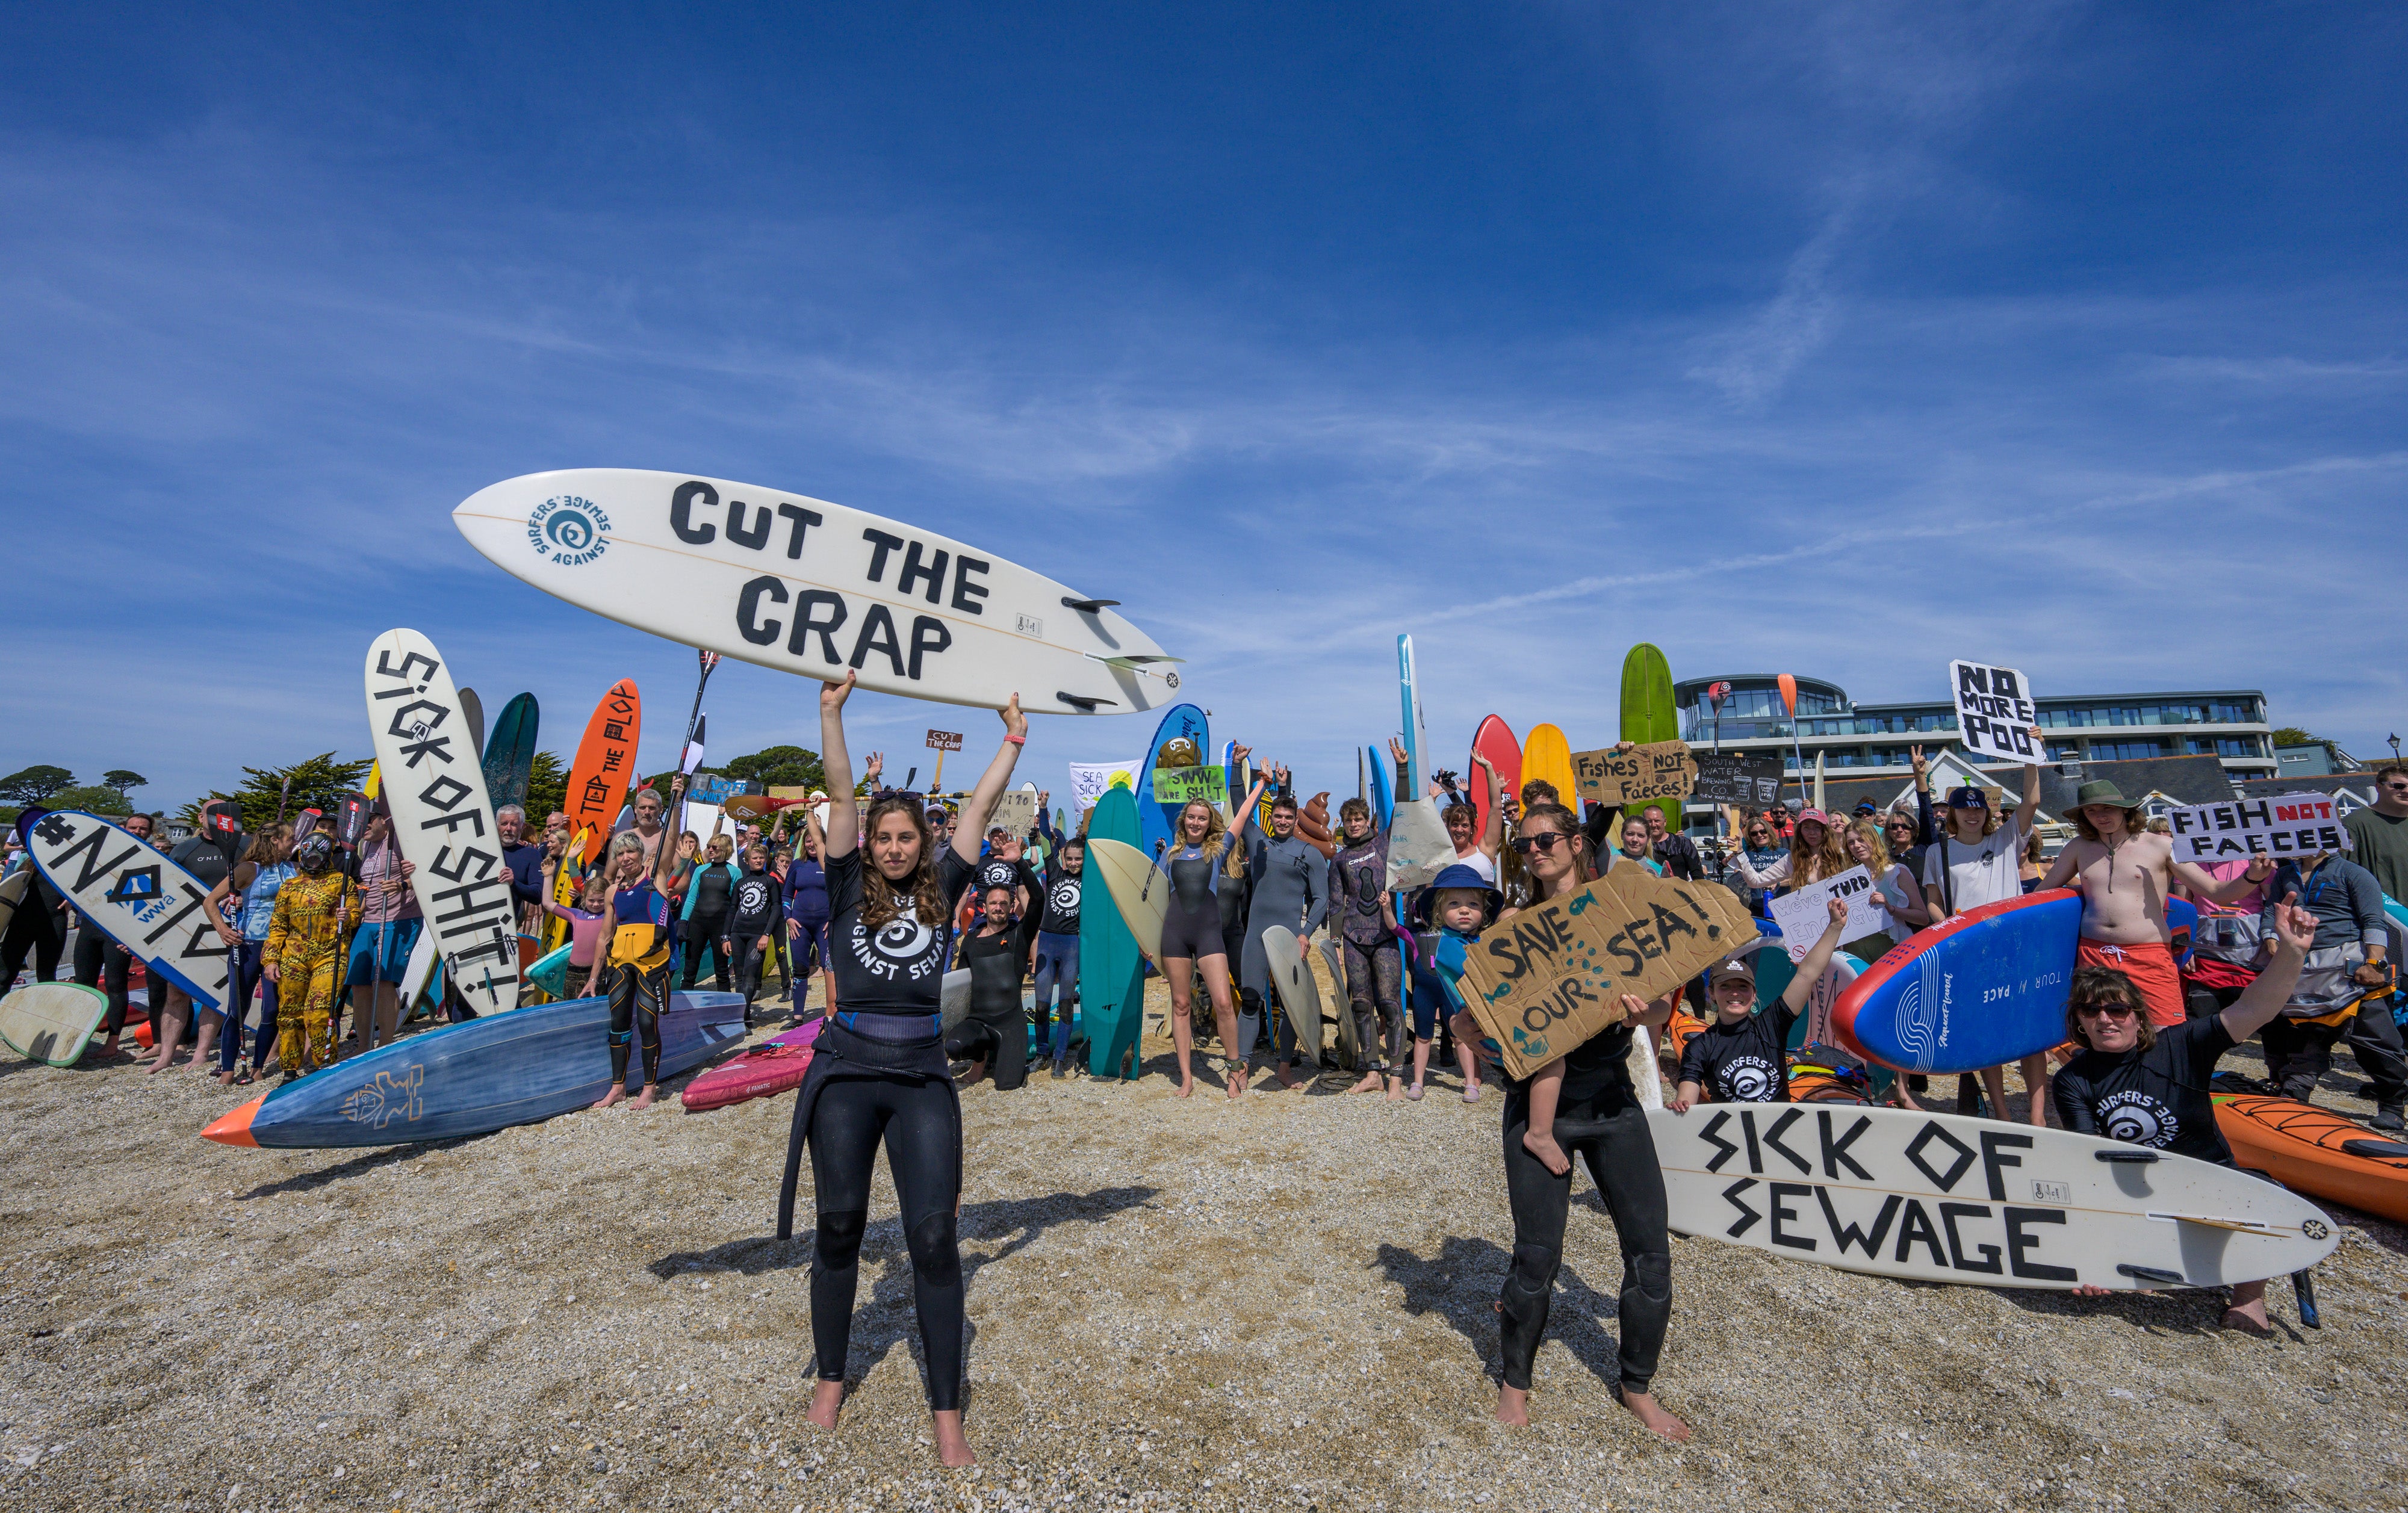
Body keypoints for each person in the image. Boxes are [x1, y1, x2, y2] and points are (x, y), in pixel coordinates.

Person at [774, 673, 1023, 1470]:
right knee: (841, 1226)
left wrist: (1013, 738)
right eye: (881, 836)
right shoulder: (847, 883)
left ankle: (948, 1412)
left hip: (920, 1070)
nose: (890, 845)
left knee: (933, 1240)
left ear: (921, 843)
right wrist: (829, 710)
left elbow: (980, 811)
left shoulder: (943, 886)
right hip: (845, 1068)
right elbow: (841, 790)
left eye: (903, 836)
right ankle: (833, 1378)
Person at [1436, 806, 1687, 1443]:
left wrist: (1639, 1014)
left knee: (1650, 1255)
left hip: (1610, 1101)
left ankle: (1636, 1386)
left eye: (1547, 840)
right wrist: (1472, 1034)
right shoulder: (1516, 923)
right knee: (1536, 1255)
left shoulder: (1613, 910)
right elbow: (1483, 1016)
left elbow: (1659, 1001)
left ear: (1577, 845)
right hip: (1535, 1106)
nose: (1535, 851)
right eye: (1525, 844)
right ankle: (1515, 1383)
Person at [2057, 894, 2319, 1334]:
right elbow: (2090, 1163)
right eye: (2091, 1010)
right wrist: (2092, 1256)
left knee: (2261, 1191)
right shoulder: (2073, 1079)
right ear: (2079, 1021)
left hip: (2208, 1175)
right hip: (2133, 1191)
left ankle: (2249, 1300)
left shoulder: (2182, 1044)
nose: (2105, 1019)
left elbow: (2254, 1009)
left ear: (2138, 1018)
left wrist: (2291, 953)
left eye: (2117, 1008)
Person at [2038, 779, 2272, 1029]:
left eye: (2108, 808)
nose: (2100, 816)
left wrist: (2252, 876)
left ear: (2125, 809)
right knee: (2103, 1033)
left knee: (2166, 1032)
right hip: (2095, 954)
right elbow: (2043, 893)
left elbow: (2216, 892)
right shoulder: (2078, 847)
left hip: (2148, 953)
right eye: (2091, 811)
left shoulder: (2160, 845)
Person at [1921, 744, 2050, 1122]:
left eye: (1979, 808)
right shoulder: (1937, 851)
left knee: (2030, 1033)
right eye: (1965, 808)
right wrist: (1947, 929)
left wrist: (2031, 756)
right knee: (1985, 1031)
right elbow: (1934, 902)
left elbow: (2032, 799)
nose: (1973, 814)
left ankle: (2039, 1115)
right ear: (1954, 814)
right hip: (1969, 950)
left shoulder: (2008, 839)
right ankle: (2003, 1113)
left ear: (1988, 813)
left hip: (2013, 945)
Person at [2250, 847, 2404, 1128]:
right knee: (2301, 1037)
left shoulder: (2353, 873)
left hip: (2352, 971)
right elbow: (2272, 911)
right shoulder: (2284, 873)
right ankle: (2293, 1096)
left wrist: (2374, 962)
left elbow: (2373, 920)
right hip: (2300, 968)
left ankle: (2393, 1104)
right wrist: (2270, 937)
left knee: (2375, 1041)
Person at [1672, 897, 1852, 1109]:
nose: (1735, 993)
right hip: (1731, 1134)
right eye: (1725, 987)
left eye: (1743, 986)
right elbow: (1687, 1096)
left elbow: (1807, 974)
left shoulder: (1772, 1026)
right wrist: (1681, 1107)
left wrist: (1835, 926)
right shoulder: (1700, 1047)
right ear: (1712, 993)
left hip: (1780, 1130)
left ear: (1754, 994)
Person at [583, 774, 691, 1112]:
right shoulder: (613, 891)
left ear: (641, 856)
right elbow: (604, 935)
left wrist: (676, 802)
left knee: (647, 1023)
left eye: (631, 852)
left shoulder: (655, 879)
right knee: (617, 1024)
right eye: (622, 854)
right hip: (620, 963)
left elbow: (671, 839)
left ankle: (648, 1086)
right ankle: (617, 1087)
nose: (627, 858)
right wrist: (591, 977)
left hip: (651, 963)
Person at [1227, 752, 1328, 1089]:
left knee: (1289, 1005)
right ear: (1272, 816)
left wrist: (1306, 932)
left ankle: (1284, 1068)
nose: (1283, 821)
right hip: (1256, 934)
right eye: (1279, 816)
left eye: (1288, 817)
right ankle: (1241, 1068)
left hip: (1289, 937)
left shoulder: (1309, 853)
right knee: (1252, 999)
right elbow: (1240, 804)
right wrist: (1238, 770)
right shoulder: (1258, 843)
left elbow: (1321, 899)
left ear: (1294, 818)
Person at [1152, 796, 1249, 1098]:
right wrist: (1147, 943)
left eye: (1202, 818)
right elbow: (1153, 903)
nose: (1196, 823)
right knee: (1181, 1006)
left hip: (1208, 934)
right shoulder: (1168, 855)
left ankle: (1235, 1069)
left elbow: (1242, 818)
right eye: (1191, 817)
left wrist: (1261, 783)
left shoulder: (1218, 851)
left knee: (1222, 1002)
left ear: (1210, 824)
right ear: (1184, 821)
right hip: (1174, 935)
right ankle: (1186, 1077)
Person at [261, 832, 359, 1080]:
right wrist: (270, 959)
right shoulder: (290, 887)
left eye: (319, 854)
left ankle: (324, 1064)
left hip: (330, 954)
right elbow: (278, 926)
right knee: (289, 1014)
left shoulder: (342, 882)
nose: (312, 858)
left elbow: (356, 914)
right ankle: (290, 1069)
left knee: (319, 1011)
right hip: (293, 957)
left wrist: (347, 917)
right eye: (308, 854)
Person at [204, 823, 293, 1083]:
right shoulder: (248, 869)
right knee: (238, 1007)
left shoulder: (293, 869)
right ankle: (229, 1067)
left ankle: (258, 1067)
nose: (294, 843)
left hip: (281, 946)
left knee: (272, 1010)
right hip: (249, 945)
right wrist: (222, 930)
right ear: (275, 840)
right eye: (290, 839)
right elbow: (210, 901)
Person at [77, 812, 154, 1059]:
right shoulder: (105, 856)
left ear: (149, 833)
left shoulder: (151, 859)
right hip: (90, 927)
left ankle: (113, 1042)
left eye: (143, 829)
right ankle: (80, 1036)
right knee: (84, 984)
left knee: (116, 984)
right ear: (123, 828)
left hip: (120, 931)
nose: (138, 831)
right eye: (133, 827)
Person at [343, 808, 418, 1056]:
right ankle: (364, 1046)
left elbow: (423, 872)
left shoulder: (398, 840)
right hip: (370, 920)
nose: (363, 827)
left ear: (382, 822)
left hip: (400, 918)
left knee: (384, 981)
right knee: (359, 982)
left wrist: (402, 884)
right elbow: (367, 888)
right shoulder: (366, 847)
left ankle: (385, 1044)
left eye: (368, 822)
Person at [948, 883, 1032, 1089]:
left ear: (1011, 907)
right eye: (993, 903)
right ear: (983, 907)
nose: (998, 907)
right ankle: (981, 1057)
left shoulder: (1018, 936)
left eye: (1003, 903)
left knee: (1006, 1085)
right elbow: (961, 987)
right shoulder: (970, 941)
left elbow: (1038, 901)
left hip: (1010, 1024)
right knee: (954, 1046)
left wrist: (1021, 863)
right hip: (980, 1022)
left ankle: (1011, 1058)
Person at [1030, 836, 1084, 1077]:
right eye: (1069, 858)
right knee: (1041, 1006)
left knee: (1065, 1005)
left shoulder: (1090, 880)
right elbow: (1044, 841)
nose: (1073, 863)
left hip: (1071, 944)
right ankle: (1042, 1053)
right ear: (1063, 857)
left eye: (1079, 859)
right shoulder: (1054, 872)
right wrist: (1042, 809)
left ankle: (1060, 1059)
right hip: (1047, 942)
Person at [1842, 817, 1925, 960]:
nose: (1857, 846)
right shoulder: (1846, 880)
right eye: (1851, 842)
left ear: (1874, 840)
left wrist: (1891, 908)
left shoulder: (1897, 872)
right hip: (1856, 951)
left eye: (1861, 840)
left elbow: (1922, 918)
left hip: (1892, 950)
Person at [1725, 806, 1849, 898]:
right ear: (1800, 831)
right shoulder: (1792, 859)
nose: (1812, 832)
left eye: (1817, 828)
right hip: (1810, 923)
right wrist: (1740, 852)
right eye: (1807, 828)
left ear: (1825, 831)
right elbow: (1755, 881)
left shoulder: (1840, 856)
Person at [784, 811, 834, 1022]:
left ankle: (832, 1013)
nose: (812, 844)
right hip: (800, 925)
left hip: (824, 925)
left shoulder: (829, 864)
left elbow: (840, 894)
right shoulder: (797, 865)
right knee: (801, 967)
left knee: (830, 967)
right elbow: (786, 894)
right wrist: (788, 917)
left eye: (815, 840)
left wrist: (833, 919)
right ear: (803, 844)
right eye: (808, 841)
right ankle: (797, 1016)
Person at [725, 843, 785, 1019]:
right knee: (739, 977)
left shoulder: (770, 881)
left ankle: (743, 1016)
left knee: (750, 976)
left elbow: (776, 909)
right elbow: (732, 909)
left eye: (761, 858)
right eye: (755, 858)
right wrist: (725, 936)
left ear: (766, 860)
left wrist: (766, 934)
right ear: (747, 860)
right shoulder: (741, 882)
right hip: (738, 933)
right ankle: (740, 1017)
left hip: (757, 935)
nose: (758, 861)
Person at [680, 834, 742, 991]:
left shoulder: (734, 872)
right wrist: (683, 923)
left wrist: (732, 930)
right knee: (689, 969)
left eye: (714, 847)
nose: (710, 850)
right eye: (709, 846)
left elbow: (737, 904)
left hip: (720, 925)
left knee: (721, 970)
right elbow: (691, 898)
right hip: (698, 923)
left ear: (725, 849)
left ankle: (725, 1009)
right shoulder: (701, 870)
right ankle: (683, 1008)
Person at [2344, 765, 2408, 905]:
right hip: (2390, 918)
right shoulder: (2355, 823)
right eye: (2399, 786)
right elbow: (2343, 874)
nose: (2406, 791)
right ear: (2379, 787)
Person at [1640, 805, 1704, 882]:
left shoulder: (1682, 843)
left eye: (1657, 821)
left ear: (1665, 822)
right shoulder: (1640, 845)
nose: (1653, 825)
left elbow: (1698, 876)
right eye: (1649, 821)